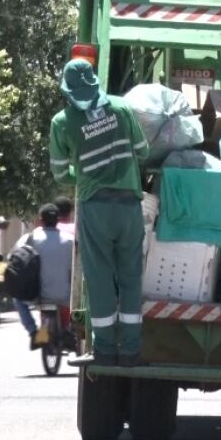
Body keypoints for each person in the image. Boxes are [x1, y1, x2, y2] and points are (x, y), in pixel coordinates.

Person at [48, 59, 150, 367]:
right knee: (131, 277)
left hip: (95, 208)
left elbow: (60, 174)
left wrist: (85, 174)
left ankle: (105, 349)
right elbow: (143, 151)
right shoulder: (121, 109)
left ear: (67, 91)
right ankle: (131, 351)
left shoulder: (62, 122)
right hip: (129, 207)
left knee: (100, 279)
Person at [11, 204, 76, 349]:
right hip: (65, 295)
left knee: (17, 300)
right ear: (58, 219)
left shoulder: (32, 239)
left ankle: (34, 332)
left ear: (41, 220)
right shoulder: (70, 240)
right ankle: (69, 330)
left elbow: (18, 259)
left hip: (38, 294)